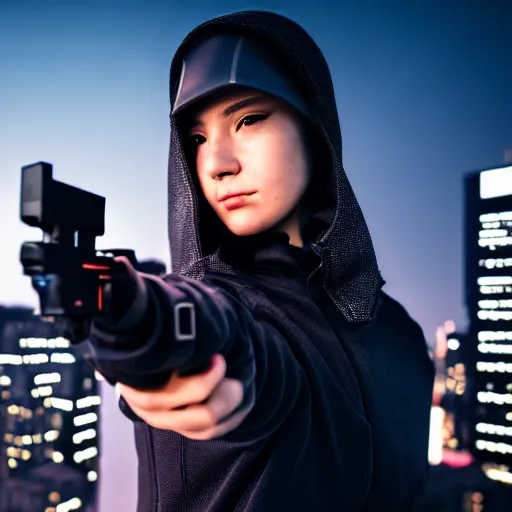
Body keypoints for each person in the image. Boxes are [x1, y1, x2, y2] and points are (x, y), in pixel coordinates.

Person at [78, 10, 435, 512]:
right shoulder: (224, 309)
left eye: (249, 119)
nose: (218, 164)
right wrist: (147, 335)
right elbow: (235, 344)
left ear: (315, 130)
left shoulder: (400, 333)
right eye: (197, 139)